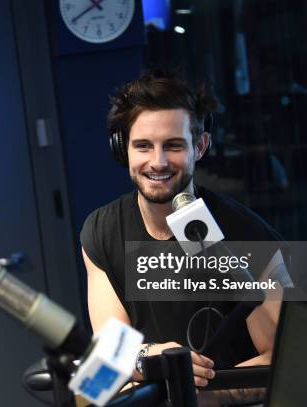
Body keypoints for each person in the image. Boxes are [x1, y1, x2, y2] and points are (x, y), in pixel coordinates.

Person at [80, 69, 283, 391]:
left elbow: (279, 359)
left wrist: (204, 397)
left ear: (200, 146)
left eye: (173, 146)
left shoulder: (246, 232)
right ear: (123, 149)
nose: (158, 162)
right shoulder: (102, 230)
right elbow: (109, 352)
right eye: (143, 146)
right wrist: (153, 360)